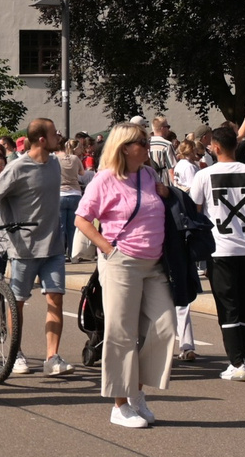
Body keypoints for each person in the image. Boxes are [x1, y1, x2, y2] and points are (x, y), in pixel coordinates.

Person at [76, 122, 177, 424]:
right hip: (122, 262)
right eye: (142, 143)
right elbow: (82, 219)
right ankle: (119, 406)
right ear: (125, 148)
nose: (147, 147)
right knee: (122, 334)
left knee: (164, 328)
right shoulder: (104, 179)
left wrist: (167, 192)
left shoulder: (148, 174)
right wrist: (108, 249)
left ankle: (136, 393)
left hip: (155, 263)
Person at [0, 119, 73, 376]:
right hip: (24, 248)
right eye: (54, 133)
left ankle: (52, 358)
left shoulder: (55, 162)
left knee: (55, 299)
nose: (59, 135)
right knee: (18, 303)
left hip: (54, 246)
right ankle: (16, 353)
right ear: (42, 140)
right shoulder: (17, 167)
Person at [190, 125, 245, 381]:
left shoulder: (204, 175)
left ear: (214, 148)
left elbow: (194, 212)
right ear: (236, 147)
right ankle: (241, 357)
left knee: (227, 305)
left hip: (220, 247)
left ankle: (237, 362)